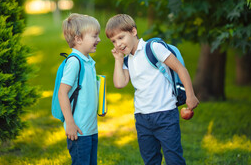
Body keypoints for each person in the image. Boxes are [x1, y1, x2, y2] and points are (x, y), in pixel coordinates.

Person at [105, 14, 199, 165]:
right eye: (114, 41)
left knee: (174, 158)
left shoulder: (153, 48)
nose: (118, 44)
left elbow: (180, 69)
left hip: (165, 114)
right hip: (142, 118)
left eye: (121, 37)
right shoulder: (127, 59)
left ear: (133, 32)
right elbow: (119, 83)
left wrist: (190, 95)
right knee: (150, 160)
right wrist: (118, 60)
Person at [58, 13, 101, 165]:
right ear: (78, 39)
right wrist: (70, 123)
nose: (99, 39)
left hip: (90, 129)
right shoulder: (75, 62)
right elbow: (62, 92)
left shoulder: (89, 61)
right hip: (78, 130)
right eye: (95, 36)